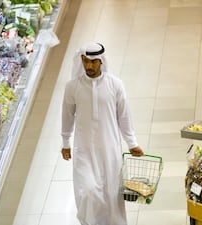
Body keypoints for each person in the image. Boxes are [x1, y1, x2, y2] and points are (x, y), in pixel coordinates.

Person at [61, 42, 144, 225]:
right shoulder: (72, 87)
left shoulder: (115, 85)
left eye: (93, 62)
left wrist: (131, 143)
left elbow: (124, 116)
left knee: (112, 195)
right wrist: (65, 143)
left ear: (101, 61)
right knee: (89, 192)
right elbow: (66, 117)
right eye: (85, 61)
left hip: (110, 150)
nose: (89, 66)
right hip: (84, 151)